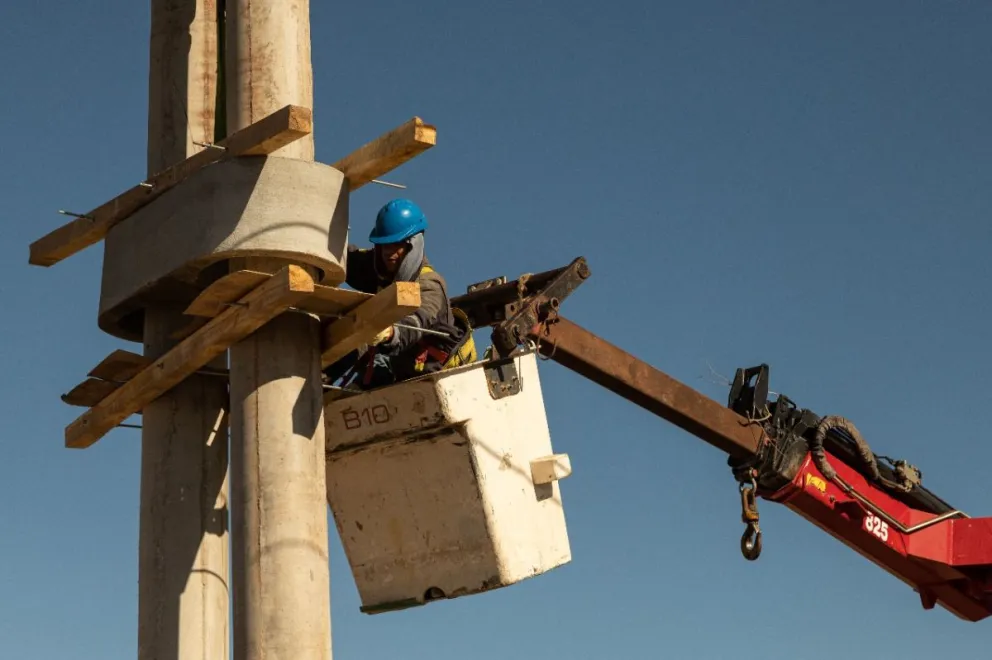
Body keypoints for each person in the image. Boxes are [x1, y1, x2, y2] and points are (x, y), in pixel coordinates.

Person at [322, 198, 476, 390]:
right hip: (395, 363)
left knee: (361, 375)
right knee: (346, 335)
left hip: (430, 375)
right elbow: (346, 258)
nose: (389, 252)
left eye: (397, 244)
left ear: (414, 244)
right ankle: (316, 379)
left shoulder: (430, 285)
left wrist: (392, 333)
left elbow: (416, 322)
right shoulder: (379, 266)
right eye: (384, 245)